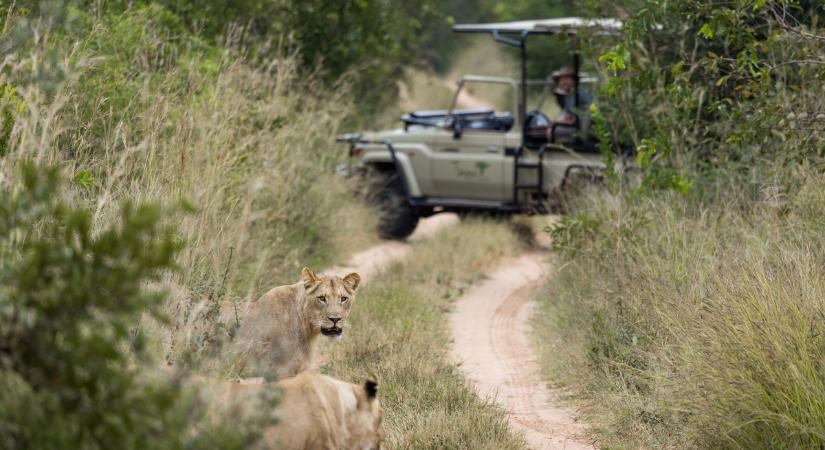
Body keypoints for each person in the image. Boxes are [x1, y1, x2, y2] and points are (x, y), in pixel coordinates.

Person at [546, 66, 595, 144]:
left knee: (557, 131)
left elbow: (588, 113)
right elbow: (565, 114)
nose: (562, 82)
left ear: (573, 80)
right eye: (560, 80)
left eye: (566, 79)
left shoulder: (582, 93)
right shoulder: (567, 95)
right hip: (574, 126)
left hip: (585, 128)